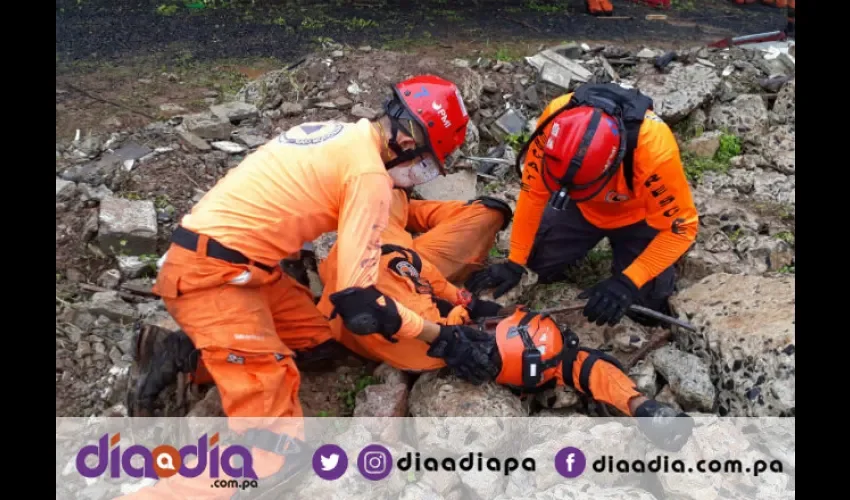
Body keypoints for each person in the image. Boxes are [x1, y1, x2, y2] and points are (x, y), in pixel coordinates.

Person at [121, 74, 496, 499]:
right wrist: (443, 337)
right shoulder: (369, 175)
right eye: (427, 164)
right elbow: (361, 304)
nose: (420, 175)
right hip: (213, 276)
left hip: (238, 262)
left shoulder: (338, 135)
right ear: (409, 143)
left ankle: (190, 352)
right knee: (273, 445)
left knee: (318, 344)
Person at [465, 82, 699, 329]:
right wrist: (515, 261)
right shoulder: (554, 122)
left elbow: (682, 228)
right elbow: (533, 193)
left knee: (647, 306)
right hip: (577, 206)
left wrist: (629, 281)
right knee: (533, 263)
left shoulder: (653, 151)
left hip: (639, 217)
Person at [315, 186, 513, 375]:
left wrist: (475, 305)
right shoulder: (374, 290)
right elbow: (433, 334)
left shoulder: (387, 200)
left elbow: (429, 277)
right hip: (373, 278)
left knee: (490, 211)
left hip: (398, 248)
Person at [485, 306, 694, 451]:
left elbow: (589, 369)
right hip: (483, 362)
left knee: (584, 366)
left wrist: (641, 407)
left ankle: (651, 413)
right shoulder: (462, 334)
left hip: (537, 358)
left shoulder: (556, 358)